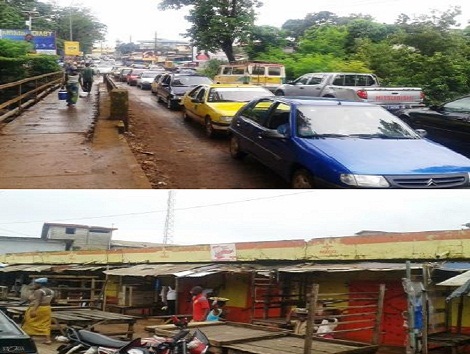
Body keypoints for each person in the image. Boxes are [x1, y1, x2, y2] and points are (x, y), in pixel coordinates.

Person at [22, 278, 54, 344]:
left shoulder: (39, 291)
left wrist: (34, 310)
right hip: (47, 308)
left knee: (29, 322)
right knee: (45, 323)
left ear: (40, 284)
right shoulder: (51, 291)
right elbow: (53, 300)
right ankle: (48, 340)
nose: (34, 285)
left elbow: (37, 301)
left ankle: (29, 337)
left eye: (36, 284)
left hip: (38, 308)